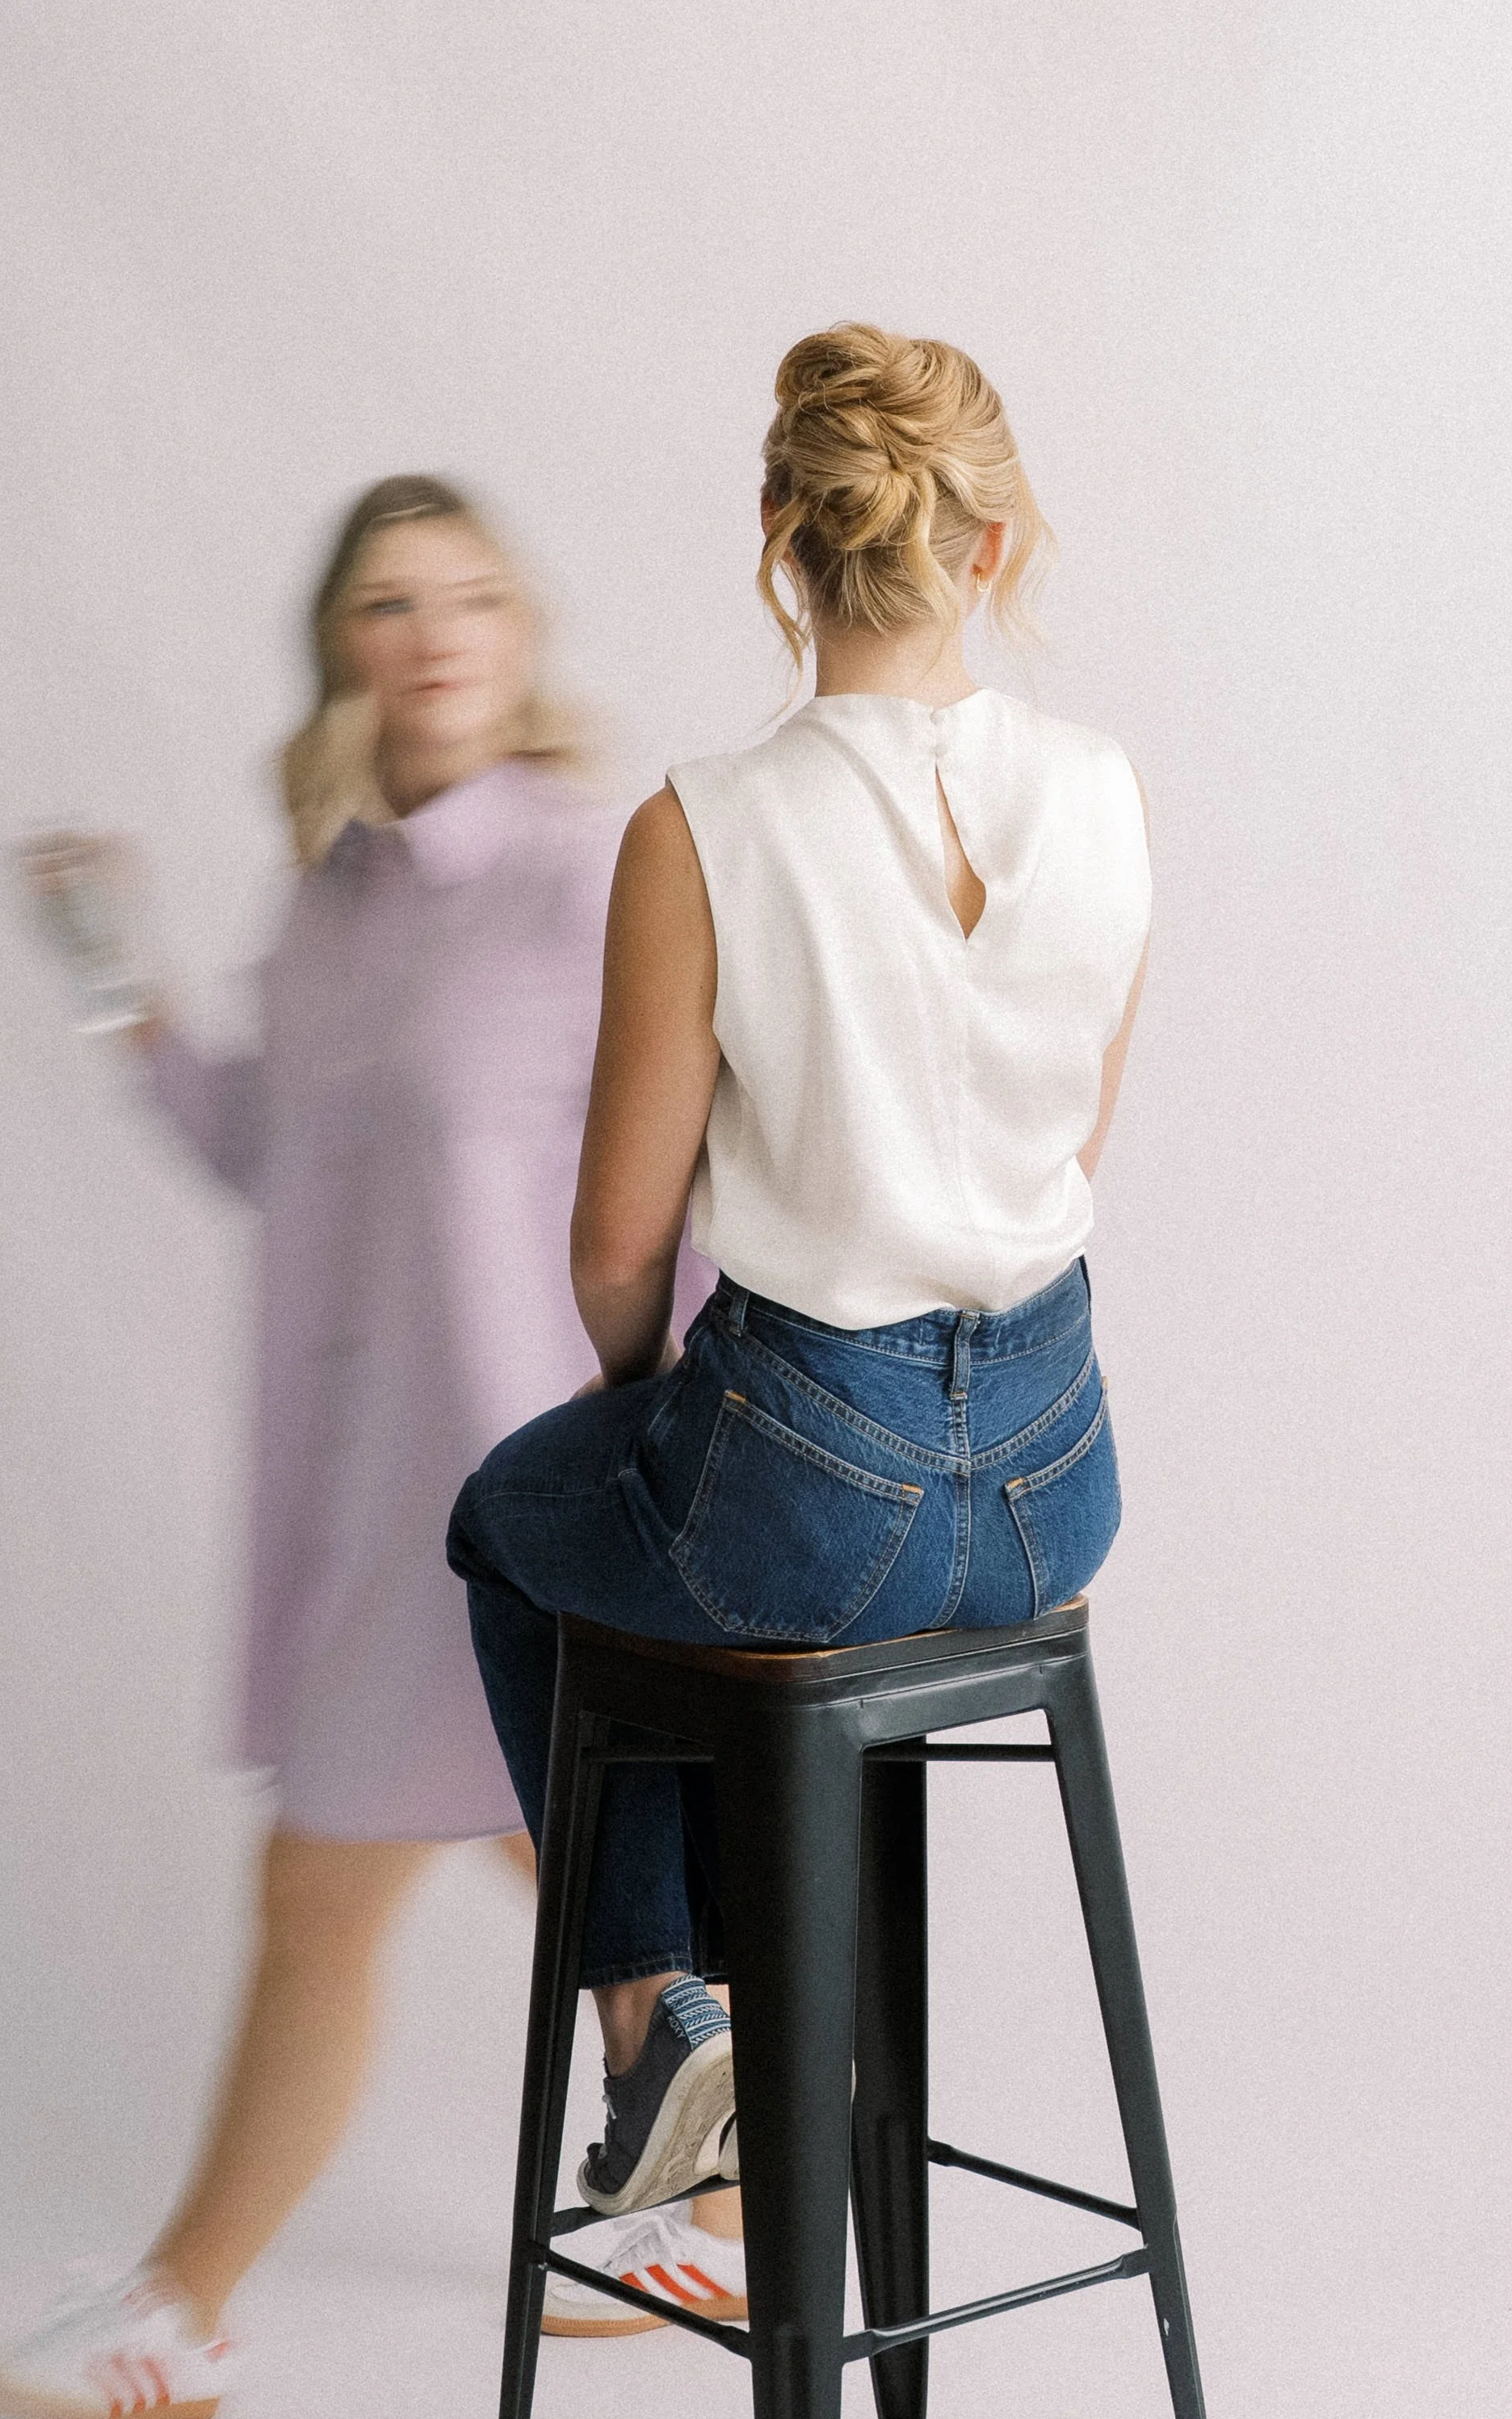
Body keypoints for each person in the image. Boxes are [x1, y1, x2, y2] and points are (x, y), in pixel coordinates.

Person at [0, 477, 741, 2419]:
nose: (438, 631)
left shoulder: (592, 868)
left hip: (528, 1478)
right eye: (392, 601)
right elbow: (261, 1153)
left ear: (522, 630)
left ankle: (181, 2314)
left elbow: (710, 1151)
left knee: (336, 1882)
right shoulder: (330, 894)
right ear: (344, 649)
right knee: (529, 1842)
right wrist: (116, 981)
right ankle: (721, 2183)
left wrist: (693, 1436)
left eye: (474, 593)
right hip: (372, 1489)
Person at [447, 324, 1149, 2219]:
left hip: (802, 1496)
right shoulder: (1102, 795)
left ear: (778, 534)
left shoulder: (702, 826)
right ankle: (774, 2061)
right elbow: (1061, 1154)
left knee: (519, 1525)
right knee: (686, 1529)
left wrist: (632, 1397)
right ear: (986, 544)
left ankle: (666, 2016)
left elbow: (616, 1241)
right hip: (1050, 1492)